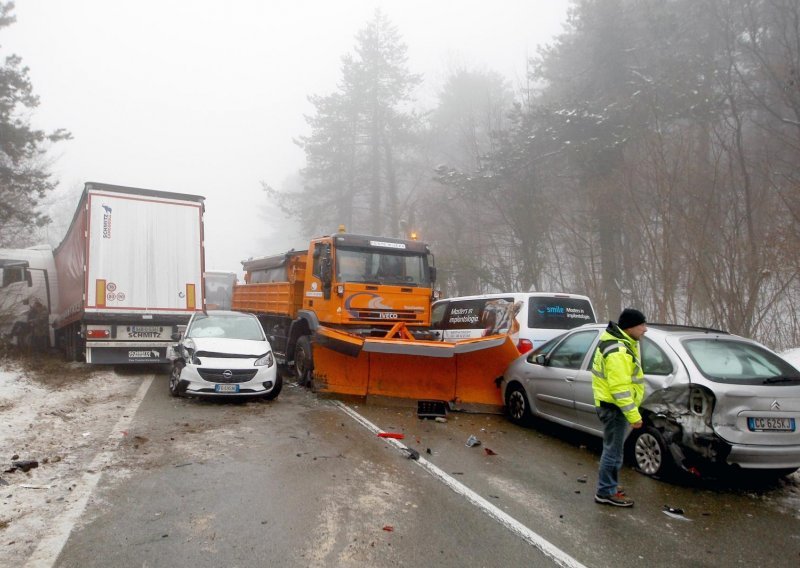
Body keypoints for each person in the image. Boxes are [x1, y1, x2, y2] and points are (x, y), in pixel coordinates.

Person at [592, 307, 647, 507]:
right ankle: (605, 491)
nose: (645, 329)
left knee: (614, 449)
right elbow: (620, 388)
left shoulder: (621, 342)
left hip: (612, 406)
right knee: (613, 451)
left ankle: (610, 485)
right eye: (641, 325)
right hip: (615, 408)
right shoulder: (618, 351)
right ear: (630, 327)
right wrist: (634, 415)